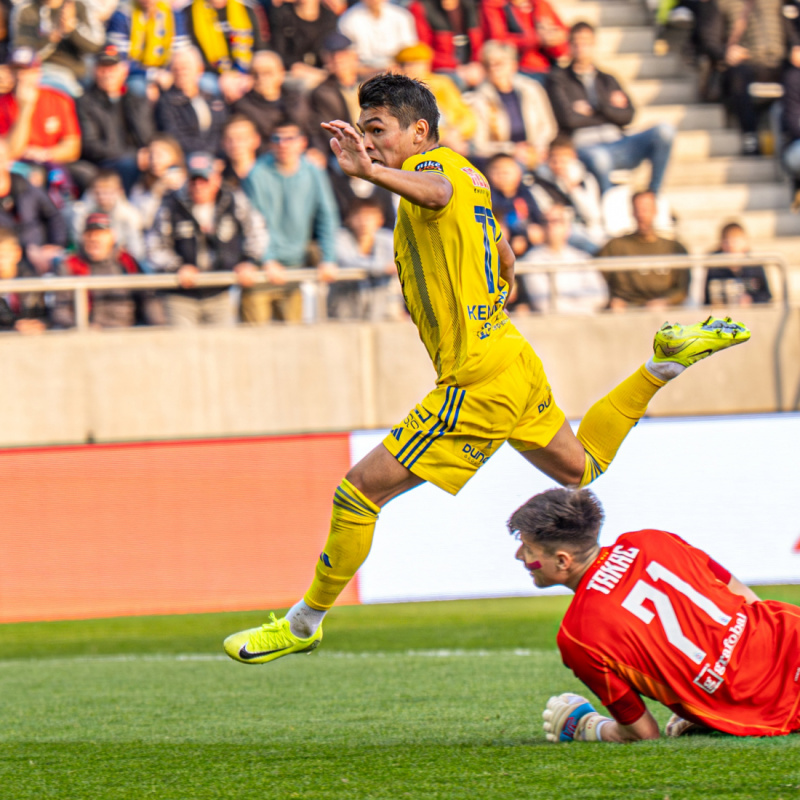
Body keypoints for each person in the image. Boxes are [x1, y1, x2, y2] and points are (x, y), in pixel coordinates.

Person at [222, 72, 751, 665]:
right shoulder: (470, 172)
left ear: (419, 131)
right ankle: (660, 366)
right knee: (580, 466)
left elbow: (437, 195)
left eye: (378, 131)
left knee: (357, 494)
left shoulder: (432, 173)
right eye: (364, 133)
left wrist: (368, 173)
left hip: (476, 379)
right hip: (511, 356)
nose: (368, 143)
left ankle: (303, 622)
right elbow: (501, 249)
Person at [509, 487, 800, 742]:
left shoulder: (578, 636)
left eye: (528, 548)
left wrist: (584, 725)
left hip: (768, 703)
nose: (520, 556)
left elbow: (642, 734)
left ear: (562, 560)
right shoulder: (652, 540)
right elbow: (745, 598)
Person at [546, 22, 675, 195]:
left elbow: (628, 115)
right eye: (576, 43)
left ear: (594, 45)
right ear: (569, 45)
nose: (581, 48)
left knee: (664, 131)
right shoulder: (558, 80)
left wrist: (596, 108)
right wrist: (609, 110)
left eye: (586, 42)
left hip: (618, 142)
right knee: (601, 159)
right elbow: (569, 119)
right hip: (584, 146)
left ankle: (654, 195)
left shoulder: (607, 79)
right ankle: (609, 209)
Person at [147, 150, 267, 326]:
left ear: (216, 178)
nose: (198, 186)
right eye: (193, 180)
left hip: (221, 291)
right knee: (182, 350)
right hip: (181, 295)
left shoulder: (233, 200)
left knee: (223, 348)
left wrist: (249, 260)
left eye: (204, 180)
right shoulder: (171, 204)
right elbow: (154, 245)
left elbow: (257, 231)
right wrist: (177, 267)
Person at [241, 119, 339, 323]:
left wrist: (328, 258)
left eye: (289, 139)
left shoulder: (314, 172)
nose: (282, 144)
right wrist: (266, 260)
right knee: (254, 340)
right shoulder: (256, 174)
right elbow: (251, 223)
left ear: (302, 142)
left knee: (293, 336)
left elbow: (327, 216)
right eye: (276, 139)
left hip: (296, 266)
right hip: (261, 269)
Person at [75, 44, 154, 192]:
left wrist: (149, 155)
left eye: (112, 67)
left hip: (136, 160)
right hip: (104, 165)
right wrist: (131, 156)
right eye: (102, 68)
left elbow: (147, 137)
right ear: (94, 70)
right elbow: (90, 145)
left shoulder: (136, 100)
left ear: (124, 71)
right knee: (129, 164)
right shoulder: (85, 102)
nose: (107, 73)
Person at [53, 211, 153, 328]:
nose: (94, 239)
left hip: (127, 332)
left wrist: (158, 327)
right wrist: (82, 327)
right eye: (89, 234)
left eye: (101, 234)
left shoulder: (127, 261)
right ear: (82, 237)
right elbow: (60, 310)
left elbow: (148, 300)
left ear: (112, 236)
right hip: (89, 335)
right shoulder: (70, 265)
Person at [597, 190, 690, 311]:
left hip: (663, 312)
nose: (642, 215)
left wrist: (666, 301)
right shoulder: (615, 247)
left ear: (655, 211)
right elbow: (596, 280)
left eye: (646, 209)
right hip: (625, 310)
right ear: (632, 212)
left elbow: (682, 289)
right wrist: (611, 301)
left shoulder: (674, 248)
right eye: (638, 209)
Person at [470, 40, 557, 167]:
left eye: (499, 63)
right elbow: (479, 145)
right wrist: (512, 150)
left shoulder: (531, 89)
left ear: (513, 65)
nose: (494, 68)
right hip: (503, 159)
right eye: (488, 64)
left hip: (538, 152)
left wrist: (538, 147)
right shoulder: (478, 99)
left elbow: (548, 126)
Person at [518, 203, 606, 314]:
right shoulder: (531, 260)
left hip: (586, 322)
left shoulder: (581, 257)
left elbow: (600, 296)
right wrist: (581, 310)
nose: (550, 226)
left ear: (567, 227)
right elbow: (543, 303)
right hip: (553, 325)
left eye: (556, 221)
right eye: (545, 222)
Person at [11, 0, 104, 97]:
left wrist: (72, 28)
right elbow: (22, 56)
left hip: (75, 75)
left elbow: (96, 47)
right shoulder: (26, 9)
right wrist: (53, 37)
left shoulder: (80, 5)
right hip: (38, 74)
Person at [531, 133, 605, 255]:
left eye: (563, 160)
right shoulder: (538, 183)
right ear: (548, 158)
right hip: (563, 232)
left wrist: (574, 190)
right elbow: (550, 215)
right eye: (555, 159)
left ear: (573, 157)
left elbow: (593, 215)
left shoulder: (586, 179)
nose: (559, 164)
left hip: (591, 230)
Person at [327, 197, 398, 320]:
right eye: (359, 216)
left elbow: (397, 263)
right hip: (344, 314)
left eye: (369, 216)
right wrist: (382, 268)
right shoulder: (339, 238)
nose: (364, 222)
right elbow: (346, 262)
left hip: (380, 313)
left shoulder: (387, 239)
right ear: (349, 219)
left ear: (380, 219)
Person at [232, 50, 311, 152]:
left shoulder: (297, 98)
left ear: (281, 72)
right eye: (255, 74)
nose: (261, 78)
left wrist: (316, 150)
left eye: (267, 73)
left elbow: (311, 129)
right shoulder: (243, 107)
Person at [154, 47, 228, 156]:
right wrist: (205, 153)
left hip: (216, 155)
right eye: (176, 69)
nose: (180, 73)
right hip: (187, 157)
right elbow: (175, 136)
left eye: (185, 68)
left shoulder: (213, 99)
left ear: (200, 69)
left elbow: (221, 130)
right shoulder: (167, 102)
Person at [479, 0, 569, 79]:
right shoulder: (495, 4)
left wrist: (553, 40)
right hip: (517, 70)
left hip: (549, 68)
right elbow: (497, 42)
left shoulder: (541, 5)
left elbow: (563, 46)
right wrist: (536, 39)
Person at [337, 0, 418, 75]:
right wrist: (377, 70)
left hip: (400, 70)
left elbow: (410, 51)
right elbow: (348, 59)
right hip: (365, 74)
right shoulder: (348, 19)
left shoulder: (402, 16)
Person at [704, 221, 771, 306]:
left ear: (745, 242)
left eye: (735, 241)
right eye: (727, 241)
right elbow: (707, 300)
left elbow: (766, 296)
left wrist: (751, 300)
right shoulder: (714, 267)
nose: (731, 245)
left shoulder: (755, 265)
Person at [0, 225, 48, 332]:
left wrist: (41, 324)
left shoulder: (33, 281)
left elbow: (48, 314)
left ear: (17, 253)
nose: (0, 262)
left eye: (4, 256)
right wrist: (12, 329)